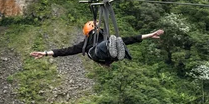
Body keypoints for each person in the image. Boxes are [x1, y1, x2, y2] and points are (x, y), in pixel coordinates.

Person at [30, 21, 164, 65]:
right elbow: (65, 51)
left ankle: (118, 51)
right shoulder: (85, 44)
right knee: (110, 43)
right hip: (97, 53)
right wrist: (45, 53)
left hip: (108, 56)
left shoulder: (103, 38)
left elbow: (132, 38)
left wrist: (150, 35)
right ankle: (115, 49)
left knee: (120, 41)